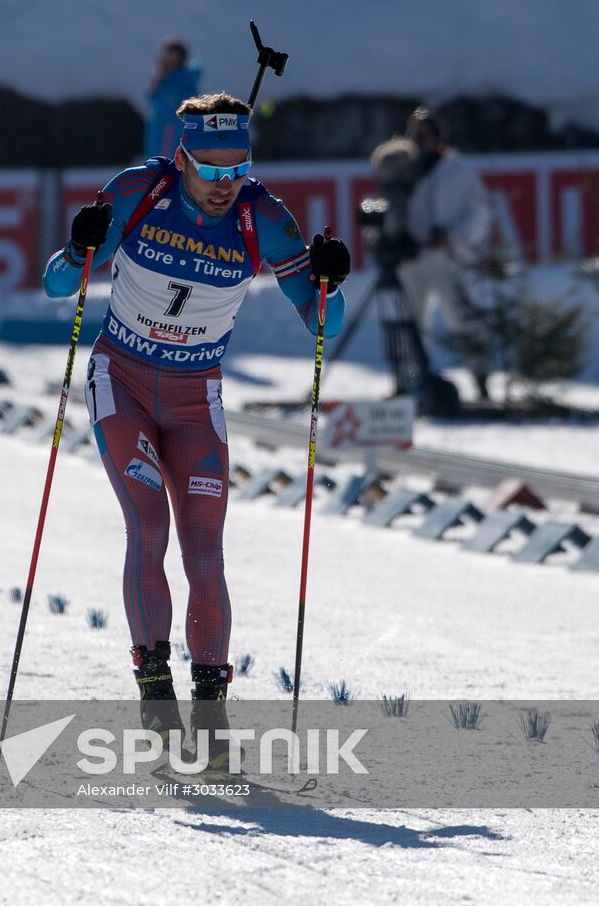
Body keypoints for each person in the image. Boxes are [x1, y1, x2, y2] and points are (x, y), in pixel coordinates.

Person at [42, 92, 350, 755]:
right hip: (120, 381)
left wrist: (332, 284)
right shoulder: (137, 192)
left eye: (236, 168)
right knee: (148, 521)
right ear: (181, 158)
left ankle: (211, 722)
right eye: (209, 171)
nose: (223, 185)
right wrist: (77, 248)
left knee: (205, 549)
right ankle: (157, 701)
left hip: (195, 398)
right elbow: (54, 286)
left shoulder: (264, 218)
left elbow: (327, 325)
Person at [396, 106, 495, 397]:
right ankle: (411, 382)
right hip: (414, 259)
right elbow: (393, 209)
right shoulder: (404, 169)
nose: (420, 139)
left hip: (449, 258)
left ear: (438, 136)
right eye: (415, 134)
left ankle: (481, 380)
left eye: (426, 133)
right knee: (411, 323)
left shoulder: (457, 168)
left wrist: (453, 237)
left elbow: (480, 212)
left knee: (463, 320)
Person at [143, 39, 201, 161]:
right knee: (156, 160)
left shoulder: (184, 78)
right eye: (166, 54)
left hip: (175, 127)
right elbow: (153, 99)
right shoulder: (162, 77)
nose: (168, 59)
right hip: (160, 126)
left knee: (171, 160)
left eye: (172, 55)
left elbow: (186, 102)